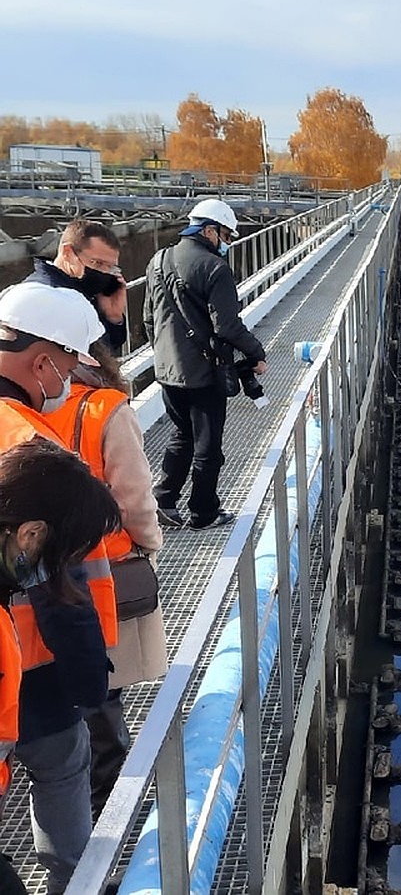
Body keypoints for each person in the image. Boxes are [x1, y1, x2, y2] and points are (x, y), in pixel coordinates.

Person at [0, 281, 116, 894]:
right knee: (61, 776)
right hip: (32, 665)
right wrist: (89, 679)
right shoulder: (28, 445)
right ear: (44, 361)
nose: (71, 378)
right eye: (70, 363)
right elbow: (59, 585)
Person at [43, 343, 165, 819]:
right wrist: (148, 547)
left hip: (37, 581)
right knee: (101, 690)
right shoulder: (105, 409)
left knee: (59, 697)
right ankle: (111, 809)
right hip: (104, 572)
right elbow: (134, 498)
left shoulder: (22, 410)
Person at [143, 198, 267, 530]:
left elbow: (148, 320)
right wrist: (257, 353)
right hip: (203, 374)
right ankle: (203, 512)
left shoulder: (158, 261)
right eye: (226, 236)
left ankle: (163, 501)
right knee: (208, 447)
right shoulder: (216, 268)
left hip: (167, 372)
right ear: (209, 231)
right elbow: (226, 326)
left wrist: (168, 355)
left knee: (182, 434)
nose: (227, 243)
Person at [24, 220, 127, 352]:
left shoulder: (81, 291)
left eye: (110, 267)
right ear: (67, 253)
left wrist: (112, 316)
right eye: (97, 263)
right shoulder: (46, 297)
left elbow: (105, 351)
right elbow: (89, 355)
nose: (104, 273)